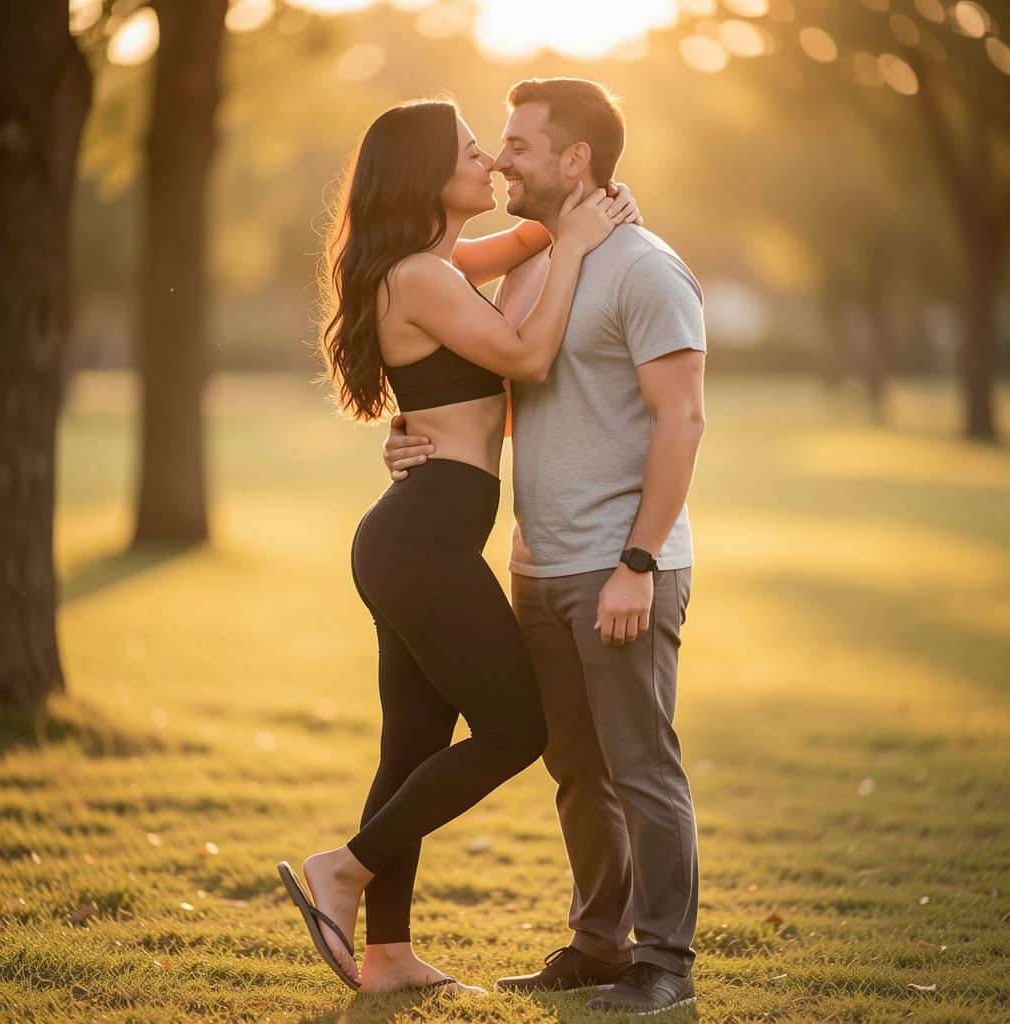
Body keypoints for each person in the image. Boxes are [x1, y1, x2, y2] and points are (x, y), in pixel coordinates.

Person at [277, 96, 642, 995]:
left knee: (410, 746)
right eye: (475, 154)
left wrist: (565, 214)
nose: (492, 167)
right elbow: (524, 357)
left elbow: (520, 245)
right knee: (518, 727)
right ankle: (344, 869)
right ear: (427, 174)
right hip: (425, 540)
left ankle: (389, 956)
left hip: (416, 535)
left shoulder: (434, 263)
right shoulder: (423, 274)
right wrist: (583, 245)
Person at [385, 77, 706, 1016]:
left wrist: (638, 563)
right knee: (576, 770)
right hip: (536, 565)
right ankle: (598, 945)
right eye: (497, 142)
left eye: (518, 144)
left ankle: (665, 964)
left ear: (576, 160)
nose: (500, 157)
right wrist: (415, 437)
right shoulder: (532, 266)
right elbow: (513, 402)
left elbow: (682, 421)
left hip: (622, 568)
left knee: (642, 765)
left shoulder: (645, 268)